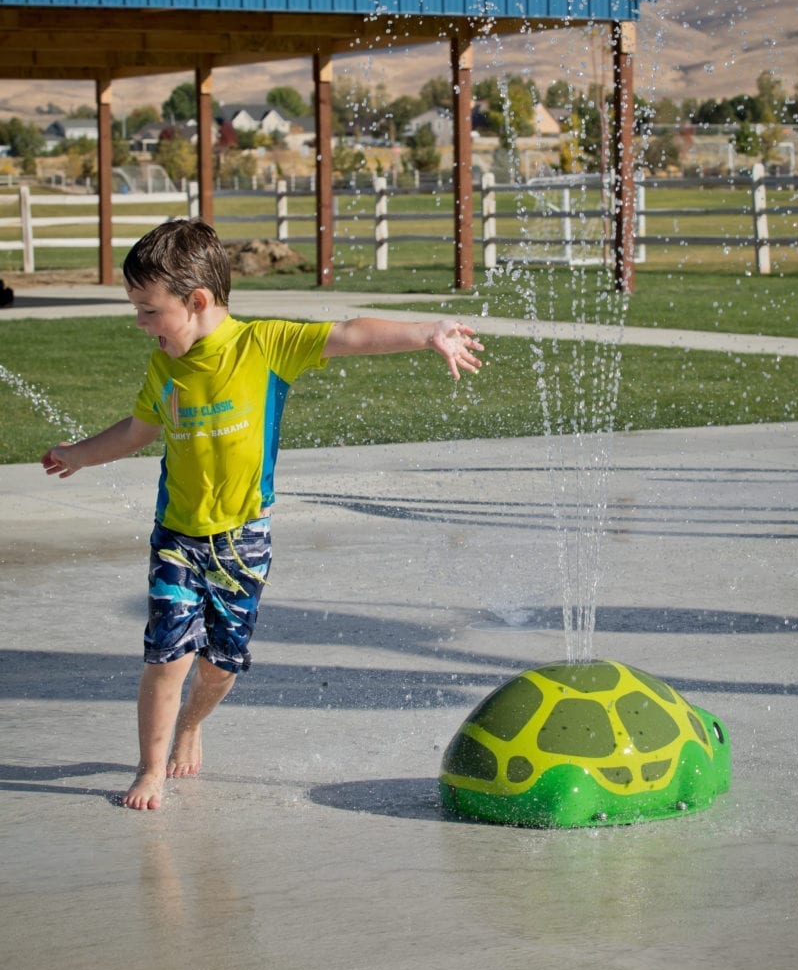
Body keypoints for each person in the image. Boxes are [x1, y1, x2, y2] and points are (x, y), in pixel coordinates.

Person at [41, 218, 483, 812]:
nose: (141, 324)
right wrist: (79, 455)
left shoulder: (264, 346)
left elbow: (350, 334)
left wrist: (427, 331)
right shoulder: (164, 368)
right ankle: (150, 768)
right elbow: (139, 430)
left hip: (244, 539)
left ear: (195, 301)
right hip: (177, 537)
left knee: (220, 666)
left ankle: (192, 726)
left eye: (149, 311)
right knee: (166, 657)